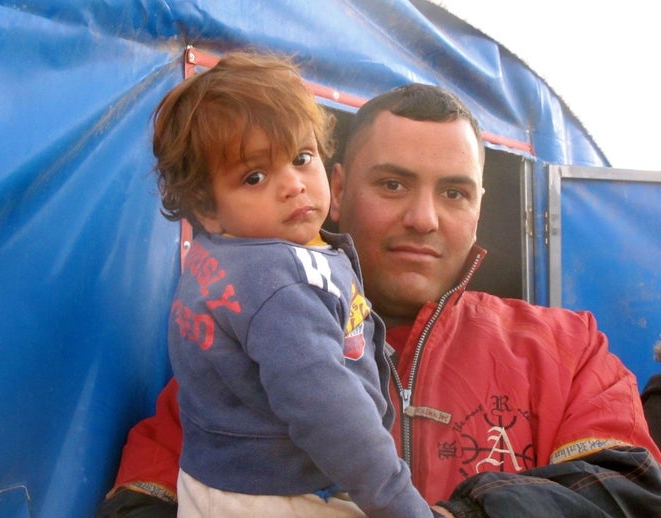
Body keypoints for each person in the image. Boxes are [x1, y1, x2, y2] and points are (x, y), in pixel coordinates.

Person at [96, 83, 661, 517]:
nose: (423, 219)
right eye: (392, 184)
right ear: (337, 192)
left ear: (480, 206)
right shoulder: (239, 351)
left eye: (454, 192)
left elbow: (630, 488)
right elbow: (141, 496)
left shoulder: (569, 347)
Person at [143, 51, 433, 518]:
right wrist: (401, 503)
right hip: (285, 496)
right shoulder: (282, 288)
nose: (293, 185)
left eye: (302, 157)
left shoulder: (221, 254)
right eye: (255, 176)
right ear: (207, 207)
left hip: (214, 482)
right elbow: (331, 413)